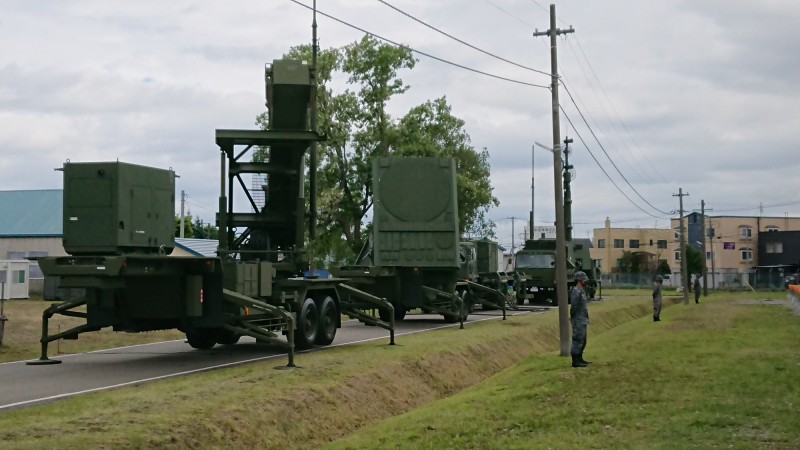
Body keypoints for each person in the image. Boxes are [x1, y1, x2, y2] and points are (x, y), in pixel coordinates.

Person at [570, 271, 591, 368]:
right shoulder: (576, 291)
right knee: (577, 340)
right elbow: (574, 306)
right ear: (579, 280)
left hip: (583, 319)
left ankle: (580, 358)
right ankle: (575, 361)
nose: (585, 281)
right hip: (578, 319)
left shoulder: (582, 290)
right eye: (584, 279)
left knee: (583, 340)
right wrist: (574, 318)